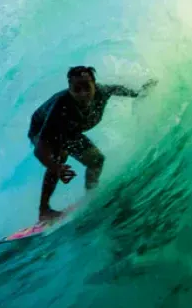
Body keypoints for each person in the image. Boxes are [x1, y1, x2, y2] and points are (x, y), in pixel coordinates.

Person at [28, 66, 154, 222]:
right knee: (59, 157)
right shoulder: (61, 106)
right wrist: (55, 167)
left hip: (70, 131)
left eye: (87, 87)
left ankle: (90, 196)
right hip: (41, 129)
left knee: (96, 160)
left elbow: (117, 89)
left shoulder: (102, 92)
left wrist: (138, 93)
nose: (82, 94)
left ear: (95, 85)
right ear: (70, 89)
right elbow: (40, 149)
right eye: (76, 89)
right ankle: (44, 210)